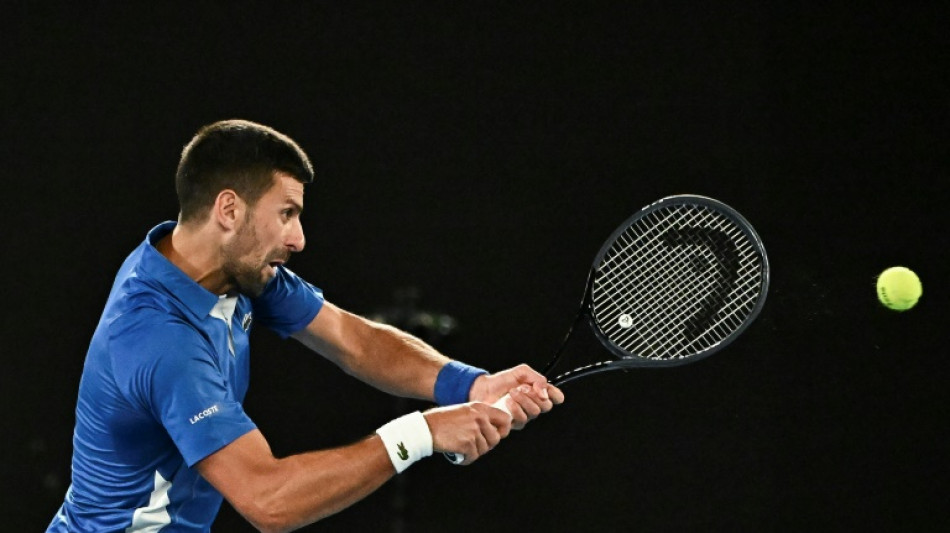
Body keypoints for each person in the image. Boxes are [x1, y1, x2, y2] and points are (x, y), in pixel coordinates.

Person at [46, 119, 564, 533]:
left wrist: (470, 383)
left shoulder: (227, 269)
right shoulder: (162, 339)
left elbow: (352, 340)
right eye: (287, 213)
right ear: (229, 208)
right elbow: (270, 501)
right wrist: (421, 431)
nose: (298, 240)